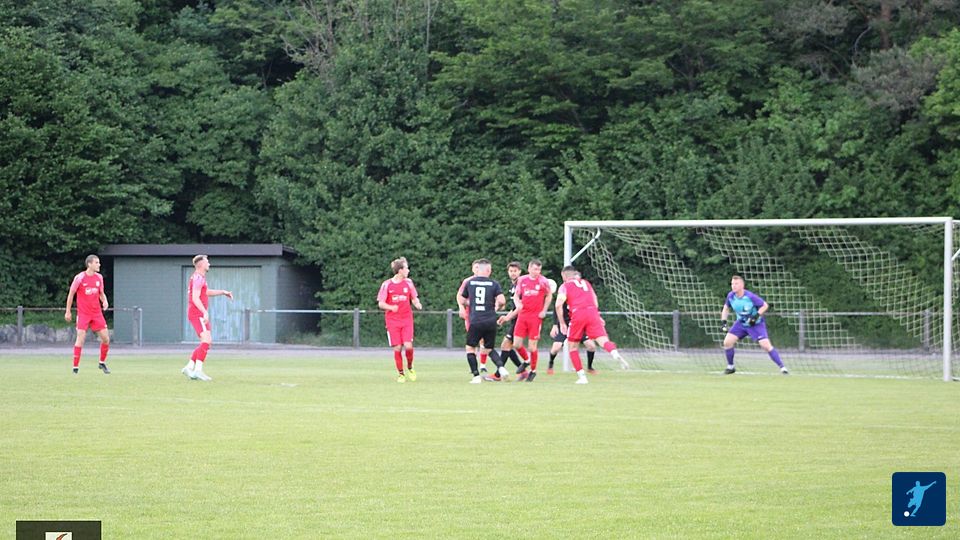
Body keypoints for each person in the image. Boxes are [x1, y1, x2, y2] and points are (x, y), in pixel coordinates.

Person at [555, 266, 629, 384]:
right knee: (603, 340)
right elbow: (594, 298)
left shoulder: (565, 286)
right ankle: (614, 352)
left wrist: (562, 323)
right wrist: (597, 315)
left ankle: (582, 377)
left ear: (564, 275)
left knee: (572, 347)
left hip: (578, 313)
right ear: (574, 274)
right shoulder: (586, 283)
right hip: (592, 312)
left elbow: (558, 305)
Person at [720, 275, 788, 375]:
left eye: (736, 284)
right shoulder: (731, 296)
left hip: (756, 324)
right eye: (732, 284)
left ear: (742, 285)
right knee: (727, 342)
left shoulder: (750, 296)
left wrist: (755, 317)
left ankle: (783, 368)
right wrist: (724, 322)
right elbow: (726, 308)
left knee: (766, 345)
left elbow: (764, 305)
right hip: (741, 323)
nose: (733, 286)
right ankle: (730, 367)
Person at [181, 255, 234, 381]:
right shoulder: (198, 278)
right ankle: (198, 371)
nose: (209, 264)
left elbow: (205, 292)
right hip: (197, 313)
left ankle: (189, 367)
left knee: (206, 342)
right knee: (206, 340)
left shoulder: (199, 278)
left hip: (197, 313)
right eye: (207, 262)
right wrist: (204, 312)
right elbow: (195, 298)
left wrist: (223, 292)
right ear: (201, 265)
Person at [458, 259, 510, 383]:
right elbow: (502, 301)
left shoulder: (470, 282)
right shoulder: (494, 283)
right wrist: (497, 306)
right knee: (489, 348)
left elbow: (462, 299)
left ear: (478, 270)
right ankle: (501, 368)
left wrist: (471, 303)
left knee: (470, 348)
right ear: (488, 270)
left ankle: (476, 376)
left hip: (476, 320)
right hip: (491, 320)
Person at [377, 257, 423, 382]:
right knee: (397, 347)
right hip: (392, 320)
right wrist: (391, 307)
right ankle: (401, 374)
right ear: (400, 270)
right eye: (406, 268)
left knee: (408, 346)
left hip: (406, 319)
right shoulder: (387, 284)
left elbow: (414, 297)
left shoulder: (409, 283)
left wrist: (417, 303)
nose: (408, 270)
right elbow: (381, 303)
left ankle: (410, 367)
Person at [64, 254, 111, 374]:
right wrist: (68, 311)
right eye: (96, 262)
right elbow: (71, 294)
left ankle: (102, 363)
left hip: (96, 313)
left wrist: (105, 301)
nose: (99, 264)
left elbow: (101, 293)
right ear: (89, 264)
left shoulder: (99, 277)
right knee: (80, 339)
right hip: (83, 314)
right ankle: (75, 368)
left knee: (106, 339)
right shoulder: (79, 278)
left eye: (99, 262)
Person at [508, 259, 552, 382]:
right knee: (516, 344)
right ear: (529, 269)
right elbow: (516, 295)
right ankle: (527, 360)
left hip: (535, 317)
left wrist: (544, 310)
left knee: (532, 347)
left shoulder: (543, 281)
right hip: (522, 316)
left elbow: (549, 295)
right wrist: (518, 304)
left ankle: (533, 370)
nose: (537, 272)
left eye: (539, 269)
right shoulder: (522, 280)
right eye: (535, 269)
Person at [548, 296, 597, 375]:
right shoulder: (564, 295)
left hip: (577, 326)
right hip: (564, 326)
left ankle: (589, 367)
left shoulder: (581, 298)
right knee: (556, 348)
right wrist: (555, 325)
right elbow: (556, 308)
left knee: (591, 346)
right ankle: (551, 363)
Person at [495, 261, 526, 375]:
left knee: (506, 344)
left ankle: (498, 374)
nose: (513, 273)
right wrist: (506, 316)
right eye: (511, 271)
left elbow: (520, 307)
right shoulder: (513, 286)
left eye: (515, 271)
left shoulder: (521, 285)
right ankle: (523, 372)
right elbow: (514, 308)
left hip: (520, 319)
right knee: (508, 346)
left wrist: (507, 318)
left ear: (520, 272)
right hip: (515, 319)